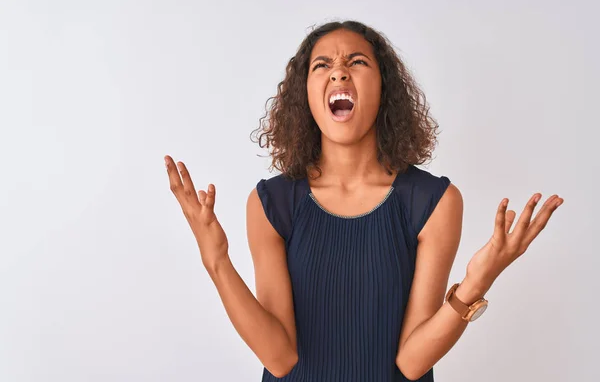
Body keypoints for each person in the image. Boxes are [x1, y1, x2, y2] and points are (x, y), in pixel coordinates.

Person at [164, 20, 563, 381]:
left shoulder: (432, 202)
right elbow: (280, 358)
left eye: (356, 62)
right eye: (321, 65)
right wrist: (216, 260)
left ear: (383, 88)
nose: (338, 70)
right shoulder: (272, 203)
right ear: (305, 94)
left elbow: (411, 363)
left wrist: (479, 280)